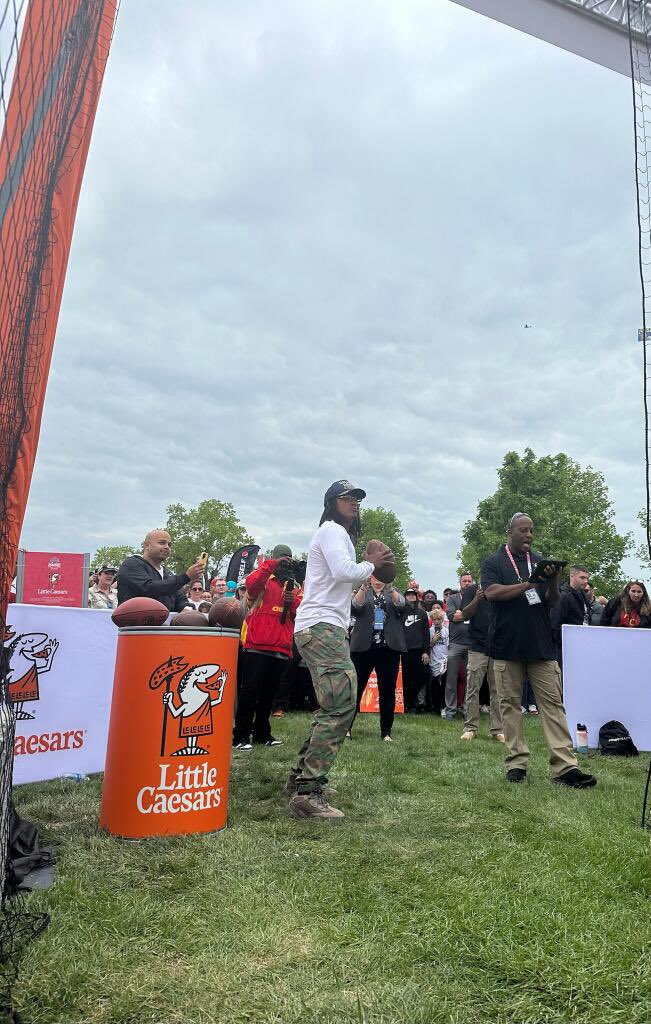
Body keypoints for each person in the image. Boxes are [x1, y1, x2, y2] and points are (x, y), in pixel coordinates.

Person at [285, 479, 395, 820]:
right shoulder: (332, 530)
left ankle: (300, 779)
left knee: (334, 703)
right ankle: (307, 792)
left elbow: (338, 579)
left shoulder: (338, 535)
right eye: (348, 497)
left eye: (358, 498)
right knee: (342, 703)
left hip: (321, 625)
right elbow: (344, 571)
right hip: (320, 627)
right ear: (331, 503)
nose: (355, 502)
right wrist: (373, 563)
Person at [481, 513, 596, 788]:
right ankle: (517, 763)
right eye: (523, 530)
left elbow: (551, 602)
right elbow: (492, 592)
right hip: (506, 644)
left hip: (541, 645)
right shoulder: (493, 561)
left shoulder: (540, 561)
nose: (529, 535)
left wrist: (553, 580)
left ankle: (565, 767)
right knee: (510, 705)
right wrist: (528, 585)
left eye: (531, 531)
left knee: (553, 705)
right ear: (509, 532)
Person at [232, 545, 302, 749]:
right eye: (284, 559)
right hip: (257, 645)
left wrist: (293, 603)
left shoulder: (293, 585)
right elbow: (251, 585)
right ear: (275, 559)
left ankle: (263, 734)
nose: (286, 563)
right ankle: (241, 736)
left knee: (269, 695)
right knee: (250, 692)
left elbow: (302, 611)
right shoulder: (264, 578)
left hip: (281, 647)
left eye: (289, 559)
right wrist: (272, 564)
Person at [349, 576, 406, 740]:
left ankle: (386, 732)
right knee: (355, 689)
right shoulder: (363, 592)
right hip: (363, 649)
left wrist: (391, 589)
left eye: (381, 576)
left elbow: (402, 605)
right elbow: (355, 607)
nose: (377, 580)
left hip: (388, 649)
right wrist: (363, 588)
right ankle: (346, 728)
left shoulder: (392, 592)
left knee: (388, 691)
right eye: (374, 576)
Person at [458, 583, 504, 743]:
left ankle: (498, 730)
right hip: (477, 645)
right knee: (472, 687)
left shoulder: (502, 588)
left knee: (498, 689)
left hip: (498, 645)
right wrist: (477, 599)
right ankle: (470, 728)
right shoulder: (472, 590)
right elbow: (464, 614)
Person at [117, 531, 202, 612]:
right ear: (147, 545)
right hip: (136, 624)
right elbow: (149, 588)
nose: (167, 547)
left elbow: (180, 598)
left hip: (163, 625)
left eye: (169, 544)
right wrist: (186, 577)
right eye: (162, 543)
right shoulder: (131, 564)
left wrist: (186, 608)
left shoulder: (167, 573)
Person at [443, 573, 474, 720]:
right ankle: (450, 711)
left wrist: (461, 613)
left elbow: (478, 617)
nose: (467, 583)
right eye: (464, 581)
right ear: (460, 582)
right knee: (451, 679)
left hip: (473, 643)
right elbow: (452, 617)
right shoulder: (452, 598)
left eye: (469, 581)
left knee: (471, 680)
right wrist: (468, 614)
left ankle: (469, 711)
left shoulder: (477, 598)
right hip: (455, 643)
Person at [550, 564, 591, 664]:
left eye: (587, 578)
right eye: (582, 577)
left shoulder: (582, 594)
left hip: (581, 643)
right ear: (572, 576)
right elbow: (554, 624)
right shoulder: (563, 596)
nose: (586, 581)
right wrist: (565, 643)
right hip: (565, 648)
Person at [400, 588, 431, 712]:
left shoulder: (422, 613)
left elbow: (426, 633)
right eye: (408, 595)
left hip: (419, 651)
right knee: (405, 679)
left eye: (413, 595)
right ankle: (408, 705)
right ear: (405, 597)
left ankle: (412, 700)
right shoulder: (400, 613)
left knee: (424, 675)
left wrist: (426, 651)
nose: (411, 597)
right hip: (404, 651)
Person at [429, 605, 449, 714]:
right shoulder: (430, 631)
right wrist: (433, 640)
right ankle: (435, 707)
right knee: (434, 685)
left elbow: (448, 646)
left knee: (444, 685)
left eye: (439, 619)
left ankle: (443, 706)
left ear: (442, 620)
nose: (437, 622)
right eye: (435, 619)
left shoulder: (446, 631)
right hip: (433, 660)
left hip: (444, 661)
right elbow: (427, 646)